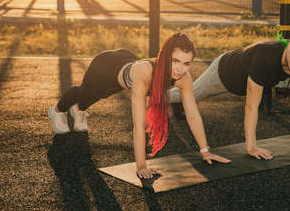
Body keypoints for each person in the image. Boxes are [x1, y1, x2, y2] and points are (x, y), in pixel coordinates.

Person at [48, 33, 231, 179]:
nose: (180, 69)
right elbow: (138, 124)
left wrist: (205, 151)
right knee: (86, 93)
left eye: (186, 63)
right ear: (165, 56)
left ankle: (79, 110)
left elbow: (192, 115)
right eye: (175, 61)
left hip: (126, 61)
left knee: (101, 95)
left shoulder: (184, 78)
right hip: (107, 66)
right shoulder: (145, 73)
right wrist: (141, 165)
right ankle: (57, 110)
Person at [169, 30, 290, 161]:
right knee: (188, 95)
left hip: (240, 82)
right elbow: (251, 106)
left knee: (186, 97)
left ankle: (177, 102)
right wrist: (252, 148)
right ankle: (152, 92)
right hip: (223, 73)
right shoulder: (264, 59)